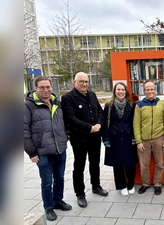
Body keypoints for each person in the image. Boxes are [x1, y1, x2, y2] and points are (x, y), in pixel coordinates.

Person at [24, 76, 72, 221]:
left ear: (51, 87)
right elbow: (23, 130)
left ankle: (58, 200)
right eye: (42, 87)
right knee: (46, 181)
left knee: (60, 177)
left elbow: (65, 123)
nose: (45, 90)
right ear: (36, 88)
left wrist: (66, 136)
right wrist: (31, 151)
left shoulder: (57, 103)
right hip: (42, 151)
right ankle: (48, 207)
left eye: (48, 87)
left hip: (59, 149)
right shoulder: (28, 106)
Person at [61, 72, 108, 208]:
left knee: (94, 163)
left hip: (94, 137)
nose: (84, 84)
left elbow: (100, 111)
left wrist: (99, 124)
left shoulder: (91, 95)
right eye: (81, 81)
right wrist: (89, 128)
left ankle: (96, 186)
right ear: (74, 82)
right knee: (79, 166)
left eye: (86, 81)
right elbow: (70, 118)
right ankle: (80, 193)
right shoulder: (68, 98)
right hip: (79, 138)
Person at [102, 82, 138, 196]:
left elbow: (135, 122)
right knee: (117, 163)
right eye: (118, 89)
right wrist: (106, 139)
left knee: (130, 162)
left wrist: (134, 137)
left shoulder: (132, 105)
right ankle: (122, 185)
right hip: (114, 138)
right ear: (115, 91)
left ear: (126, 91)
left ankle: (131, 184)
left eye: (123, 89)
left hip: (128, 137)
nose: (120, 92)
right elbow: (104, 123)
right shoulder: (108, 105)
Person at [133, 80, 164, 195]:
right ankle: (145, 183)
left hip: (159, 137)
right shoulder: (139, 105)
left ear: (155, 90)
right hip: (144, 140)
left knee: (160, 163)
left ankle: (158, 184)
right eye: (147, 89)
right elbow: (136, 124)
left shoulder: (162, 104)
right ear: (145, 91)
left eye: (152, 89)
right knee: (144, 164)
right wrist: (138, 141)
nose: (150, 91)